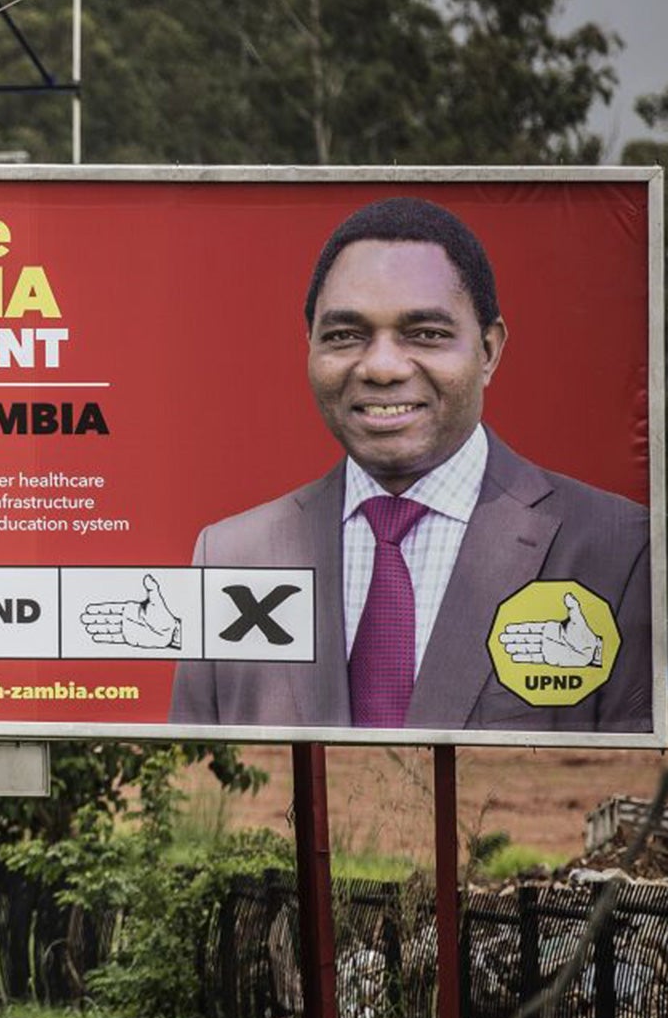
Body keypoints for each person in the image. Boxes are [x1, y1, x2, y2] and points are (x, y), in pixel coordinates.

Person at [171, 196, 650, 732]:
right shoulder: (233, 556)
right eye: (345, 336)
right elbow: (195, 778)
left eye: (425, 333)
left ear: (488, 350)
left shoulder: (623, 551)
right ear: (309, 346)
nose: (380, 366)